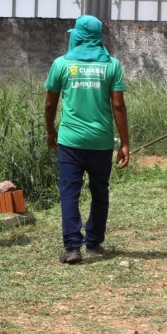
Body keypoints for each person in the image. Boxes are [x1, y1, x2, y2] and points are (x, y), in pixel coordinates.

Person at [44, 15, 130, 264]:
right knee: (99, 191)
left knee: (69, 192)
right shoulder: (112, 65)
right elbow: (118, 106)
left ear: (78, 36)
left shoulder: (61, 64)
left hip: (70, 141)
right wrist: (124, 143)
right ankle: (94, 242)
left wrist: (51, 131)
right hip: (101, 142)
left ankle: (73, 247)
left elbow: (50, 104)